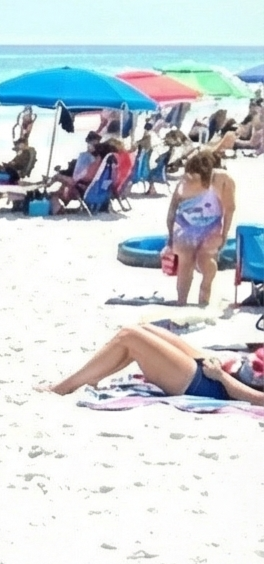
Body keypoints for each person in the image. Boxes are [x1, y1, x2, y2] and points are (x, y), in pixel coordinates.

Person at [46, 322, 264, 403]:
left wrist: (221, 376)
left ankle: (64, 387)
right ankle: (92, 376)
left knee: (129, 336)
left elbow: (258, 400)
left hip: (212, 385)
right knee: (144, 328)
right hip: (218, 369)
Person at [164, 148, 237, 307]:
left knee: (185, 266)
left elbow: (171, 213)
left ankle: (181, 302)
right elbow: (230, 209)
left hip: (184, 226)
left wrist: (170, 238)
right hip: (210, 227)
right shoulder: (222, 179)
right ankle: (204, 298)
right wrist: (224, 234)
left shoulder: (184, 182)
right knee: (207, 260)